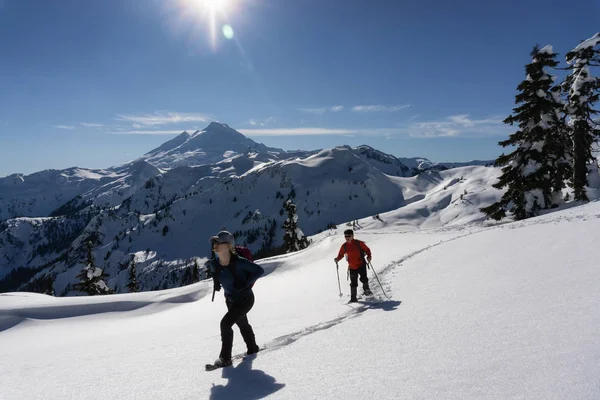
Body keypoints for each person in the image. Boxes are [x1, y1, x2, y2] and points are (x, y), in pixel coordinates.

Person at [208, 230, 264, 368]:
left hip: (245, 299)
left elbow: (259, 271)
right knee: (242, 324)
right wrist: (216, 281)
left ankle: (225, 358)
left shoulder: (239, 262)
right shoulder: (215, 263)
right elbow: (218, 274)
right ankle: (253, 348)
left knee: (225, 324)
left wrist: (245, 283)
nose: (215, 245)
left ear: (228, 246)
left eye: (218, 243)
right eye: (214, 243)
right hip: (231, 300)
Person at [333, 229, 372, 302]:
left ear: (352, 236)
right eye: (345, 236)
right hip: (352, 267)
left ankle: (367, 290)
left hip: (361, 264)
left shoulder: (359, 243)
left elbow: (367, 250)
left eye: (349, 236)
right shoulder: (344, 246)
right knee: (353, 283)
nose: (347, 237)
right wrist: (337, 259)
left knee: (364, 278)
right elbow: (341, 254)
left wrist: (369, 257)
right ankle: (353, 298)